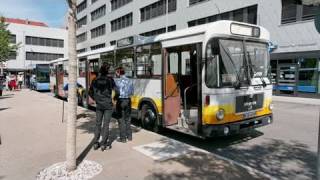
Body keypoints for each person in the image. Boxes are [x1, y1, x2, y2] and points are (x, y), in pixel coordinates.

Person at [89, 64, 118, 151]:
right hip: (108, 105)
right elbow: (117, 91)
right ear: (107, 72)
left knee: (98, 124)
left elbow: (90, 92)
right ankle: (103, 144)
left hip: (99, 105)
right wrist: (114, 99)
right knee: (106, 124)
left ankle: (95, 143)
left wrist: (96, 99)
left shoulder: (95, 80)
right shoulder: (110, 80)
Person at [115, 67, 134, 143]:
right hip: (128, 101)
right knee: (128, 119)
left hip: (120, 101)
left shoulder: (117, 81)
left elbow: (116, 92)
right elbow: (132, 92)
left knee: (121, 119)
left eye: (116, 72)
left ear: (119, 72)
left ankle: (123, 138)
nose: (116, 74)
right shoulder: (130, 80)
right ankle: (129, 136)